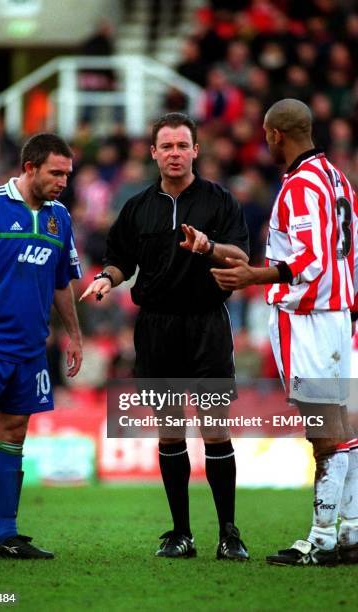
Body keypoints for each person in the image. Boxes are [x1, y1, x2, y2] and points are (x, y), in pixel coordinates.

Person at [81, 112, 250, 560]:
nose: (175, 153)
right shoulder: (137, 208)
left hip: (206, 325)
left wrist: (209, 246)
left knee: (215, 430)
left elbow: (241, 256)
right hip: (156, 327)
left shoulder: (219, 201)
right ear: (154, 152)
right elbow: (120, 260)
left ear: (196, 150)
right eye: (167, 146)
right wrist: (106, 279)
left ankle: (229, 534)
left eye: (182, 145)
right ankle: (181, 534)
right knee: (170, 431)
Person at [211, 98, 358, 566]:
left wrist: (255, 277)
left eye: (266, 133)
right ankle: (351, 532)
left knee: (324, 430)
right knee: (343, 426)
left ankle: (320, 539)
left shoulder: (300, 187)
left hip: (310, 319)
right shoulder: (337, 179)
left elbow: (310, 260)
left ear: (276, 133)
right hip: (337, 315)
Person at [0, 133, 83, 561]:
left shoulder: (59, 218)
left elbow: (62, 281)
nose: (63, 181)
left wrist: (74, 336)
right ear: (29, 168)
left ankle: (5, 536)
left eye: (67, 173)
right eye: (55, 173)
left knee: (13, 434)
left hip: (29, 350)